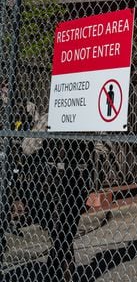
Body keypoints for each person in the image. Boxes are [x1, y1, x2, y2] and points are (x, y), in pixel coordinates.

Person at [21, 113, 95, 282]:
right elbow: (28, 146)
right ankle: (60, 269)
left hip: (70, 180)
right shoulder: (53, 116)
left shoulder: (87, 115)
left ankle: (57, 270)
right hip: (57, 181)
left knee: (63, 231)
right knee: (62, 231)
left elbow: (27, 147)